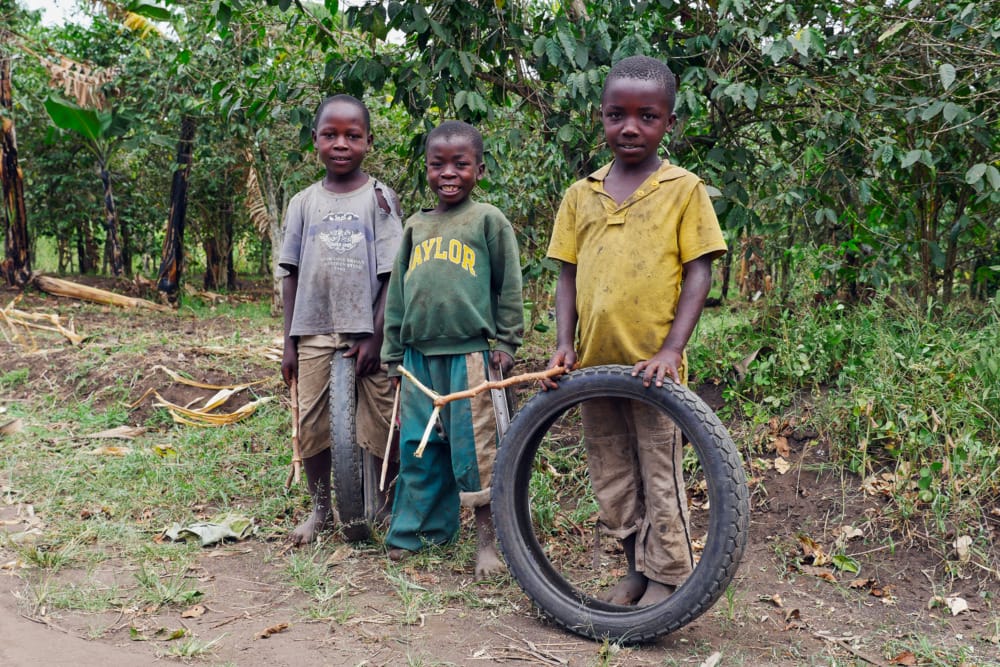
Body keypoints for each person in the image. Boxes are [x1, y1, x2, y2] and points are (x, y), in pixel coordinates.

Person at [544, 55, 727, 606]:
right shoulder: (581, 194)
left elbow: (699, 271)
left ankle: (668, 578)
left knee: (659, 477)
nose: (630, 127)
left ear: (669, 122)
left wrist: (672, 349)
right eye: (616, 115)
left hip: (653, 373)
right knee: (613, 477)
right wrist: (564, 345)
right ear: (600, 117)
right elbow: (567, 275)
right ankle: (635, 568)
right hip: (594, 370)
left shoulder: (684, 189)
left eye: (647, 116)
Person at [381, 120, 524, 579]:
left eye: (460, 164)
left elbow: (509, 285)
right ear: (426, 168)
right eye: (436, 164)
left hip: (469, 357)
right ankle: (419, 533)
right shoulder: (415, 226)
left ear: (479, 170)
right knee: (417, 445)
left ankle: (487, 544)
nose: (447, 173)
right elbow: (398, 295)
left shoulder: (488, 220)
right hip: (417, 359)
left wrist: (507, 342)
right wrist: (392, 354)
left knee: (475, 449)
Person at [278, 94, 403, 546]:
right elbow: (290, 273)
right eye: (330, 135)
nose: (341, 144)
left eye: (353, 135)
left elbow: (393, 273)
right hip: (313, 329)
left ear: (368, 141)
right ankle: (320, 511)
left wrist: (377, 334)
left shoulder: (380, 198)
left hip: (369, 330)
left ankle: (384, 506)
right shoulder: (303, 203)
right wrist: (289, 342)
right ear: (315, 139)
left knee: (384, 418)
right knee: (312, 423)